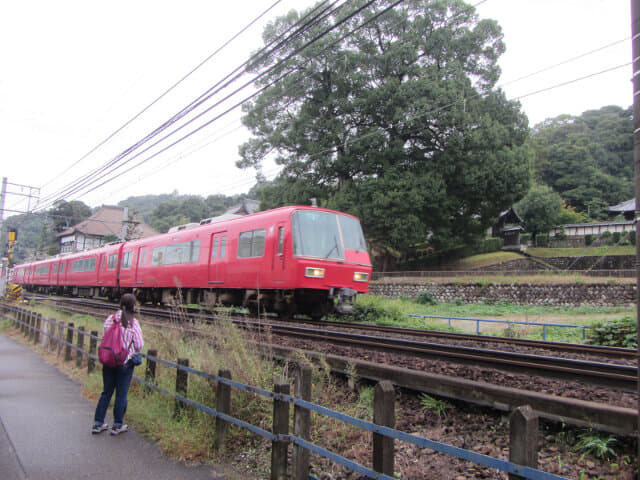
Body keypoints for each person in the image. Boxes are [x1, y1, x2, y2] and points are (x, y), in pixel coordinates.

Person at [92, 293, 144, 435]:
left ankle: (98, 423)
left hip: (108, 361)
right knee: (121, 395)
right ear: (133, 306)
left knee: (106, 392)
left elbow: (105, 336)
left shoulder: (110, 319)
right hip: (125, 364)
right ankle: (117, 425)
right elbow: (139, 345)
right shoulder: (133, 323)